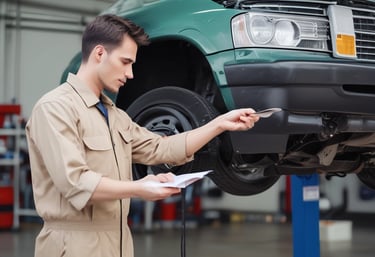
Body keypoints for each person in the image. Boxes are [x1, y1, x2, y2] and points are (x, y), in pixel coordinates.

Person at [25, 14, 260, 257]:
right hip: (72, 243)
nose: (130, 74)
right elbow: (75, 184)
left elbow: (161, 148)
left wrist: (219, 123)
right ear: (99, 53)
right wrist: (138, 188)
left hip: (118, 242)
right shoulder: (55, 108)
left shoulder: (115, 116)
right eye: (125, 62)